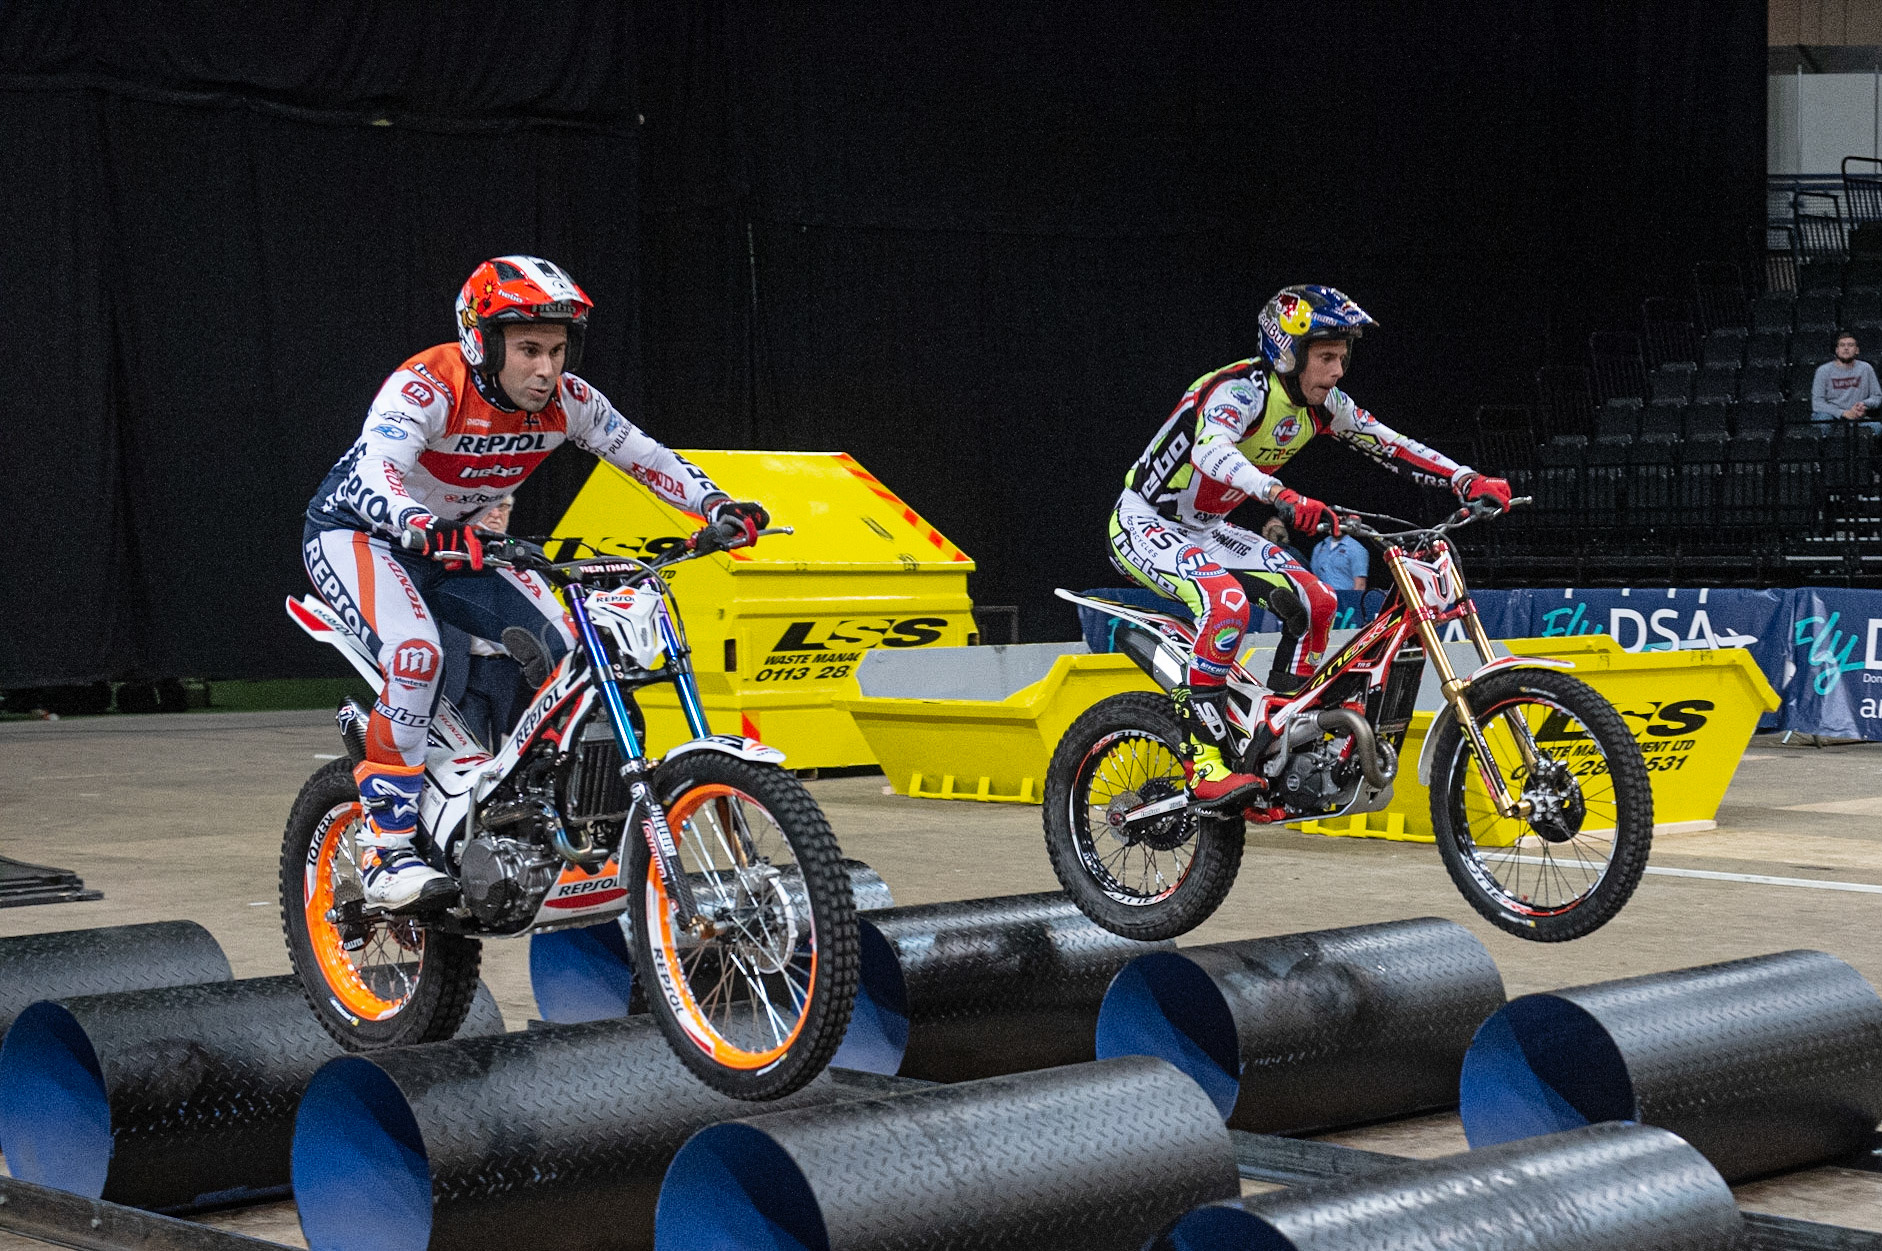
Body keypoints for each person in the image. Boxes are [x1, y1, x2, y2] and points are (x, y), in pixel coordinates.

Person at [304, 256, 769, 910]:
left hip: (459, 544)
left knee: (576, 657)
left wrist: (716, 505)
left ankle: (531, 815)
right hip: (362, 534)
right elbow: (374, 472)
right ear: (483, 343)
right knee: (416, 656)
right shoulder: (427, 385)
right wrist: (418, 522)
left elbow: (645, 457)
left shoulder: (569, 402)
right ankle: (387, 850)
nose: (547, 369)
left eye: (556, 350)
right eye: (528, 350)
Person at [1109, 284, 1509, 803]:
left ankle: (1280, 738)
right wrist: (1279, 495)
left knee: (1317, 599)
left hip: (1207, 528)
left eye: (1342, 358)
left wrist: (1464, 478)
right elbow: (1211, 452)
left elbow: (1390, 444)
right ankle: (1203, 764)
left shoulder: (1324, 406)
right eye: (1325, 358)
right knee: (1226, 604)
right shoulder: (1238, 392)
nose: (1338, 370)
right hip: (1143, 520)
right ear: (1287, 353)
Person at [1811, 333, 1882, 424]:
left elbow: (1877, 397)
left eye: (1850, 345)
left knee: (1876, 426)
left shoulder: (1866, 368)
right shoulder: (1823, 371)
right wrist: (1843, 413)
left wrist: (1863, 404)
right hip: (1832, 415)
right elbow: (1817, 403)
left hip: (1857, 415)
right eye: (1842, 345)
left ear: (1857, 350)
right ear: (1837, 350)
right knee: (1823, 419)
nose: (1846, 348)